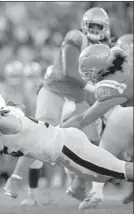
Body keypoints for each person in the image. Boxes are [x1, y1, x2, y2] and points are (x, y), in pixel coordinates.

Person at [4, 7, 111, 205]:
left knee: (93, 141)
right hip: (55, 91)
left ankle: (78, 185)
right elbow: (70, 72)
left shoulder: (105, 49)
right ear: (85, 25)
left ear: (105, 28)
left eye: (99, 26)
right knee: (39, 137)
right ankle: (17, 179)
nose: (95, 29)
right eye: (92, 25)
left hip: (78, 97)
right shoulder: (76, 37)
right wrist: (94, 89)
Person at [0, 91, 133, 197]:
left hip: (67, 147)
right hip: (62, 154)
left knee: (120, 170)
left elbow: (4, 123)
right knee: (103, 176)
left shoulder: (10, 118)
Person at [72, 35, 134, 209]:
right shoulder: (122, 63)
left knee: (103, 154)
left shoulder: (110, 84)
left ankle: (95, 191)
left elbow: (85, 118)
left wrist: (54, 132)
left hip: (124, 118)